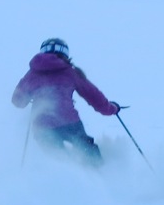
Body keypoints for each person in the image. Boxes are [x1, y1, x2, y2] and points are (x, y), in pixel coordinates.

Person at [12, 38, 120, 166]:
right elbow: (93, 96)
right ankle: (103, 176)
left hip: (42, 127)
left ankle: (64, 182)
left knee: (59, 160)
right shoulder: (71, 72)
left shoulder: (32, 74)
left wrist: (31, 97)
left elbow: (17, 101)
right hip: (69, 123)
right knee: (87, 152)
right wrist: (112, 108)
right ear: (65, 53)